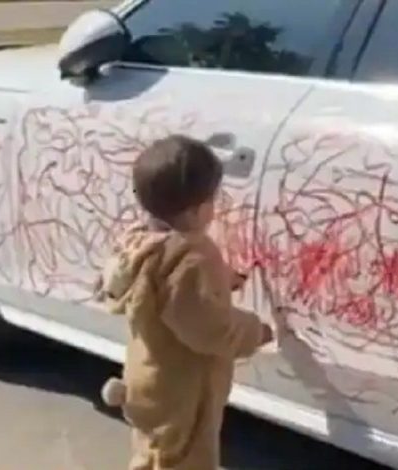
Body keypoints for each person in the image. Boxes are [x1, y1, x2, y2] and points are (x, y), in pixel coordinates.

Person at [94, 135, 273, 470]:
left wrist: (221, 280)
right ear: (199, 210)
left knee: (153, 454)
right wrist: (255, 331)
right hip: (183, 393)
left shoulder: (138, 244)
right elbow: (208, 329)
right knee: (186, 461)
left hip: (146, 377)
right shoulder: (193, 258)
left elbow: (167, 292)